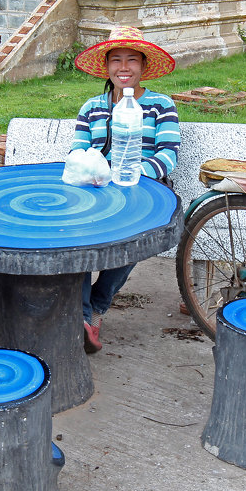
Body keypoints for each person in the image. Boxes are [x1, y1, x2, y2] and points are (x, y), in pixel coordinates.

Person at [71, 26, 180, 353]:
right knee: (73, 238)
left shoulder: (161, 105)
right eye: (116, 60)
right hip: (98, 188)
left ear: (144, 67)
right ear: (106, 67)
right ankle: (83, 316)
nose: (124, 67)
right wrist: (93, 172)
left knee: (134, 236)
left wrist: (135, 174)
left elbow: (169, 154)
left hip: (142, 190)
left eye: (132, 60)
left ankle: (96, 306)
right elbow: (78, 151)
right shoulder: (91, 108)